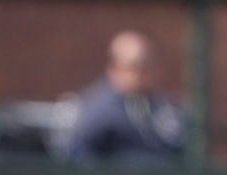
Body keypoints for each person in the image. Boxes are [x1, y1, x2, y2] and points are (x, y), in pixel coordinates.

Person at [66, 30, 187, 166]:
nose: (141, 74)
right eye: (133, 67)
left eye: (147, 66)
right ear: (113, 68)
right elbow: (77, 156)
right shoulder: (97, 110)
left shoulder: (166, 108)